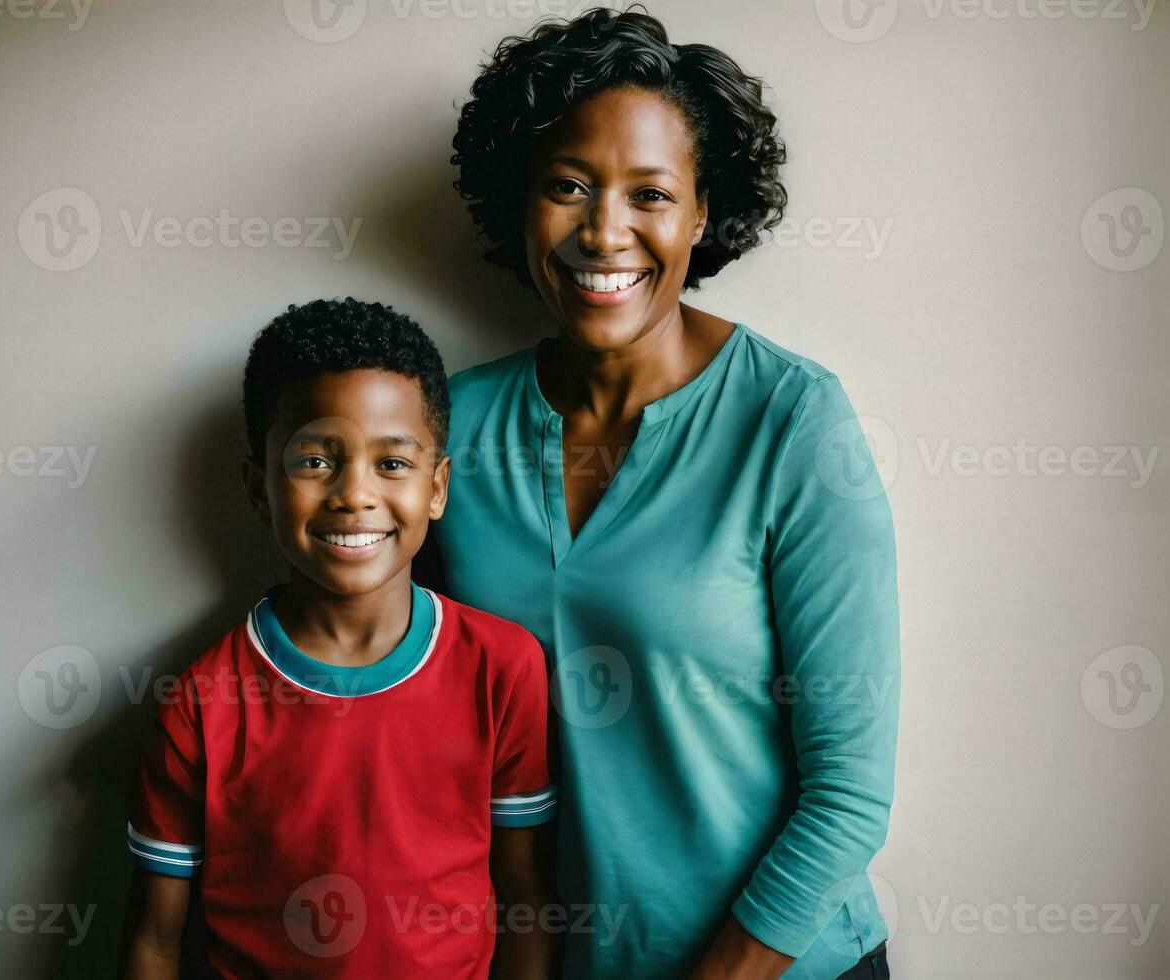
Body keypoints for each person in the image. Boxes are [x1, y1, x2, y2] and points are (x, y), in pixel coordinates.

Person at [428, 8, 900, 979]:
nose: (604, 230)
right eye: (567, 186)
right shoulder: (448, 430)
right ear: (518, 205)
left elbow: (848, 791)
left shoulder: (792, 419)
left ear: (699, 212)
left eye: (649, 193)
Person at [119, 298, 557, 979]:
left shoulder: (501, 667)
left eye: (392, 464)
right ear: (258, 488)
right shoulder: (202, 703)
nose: (355, 494)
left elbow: (524, 897)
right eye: (316, 462)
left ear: (437, 488)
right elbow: (154, 938)